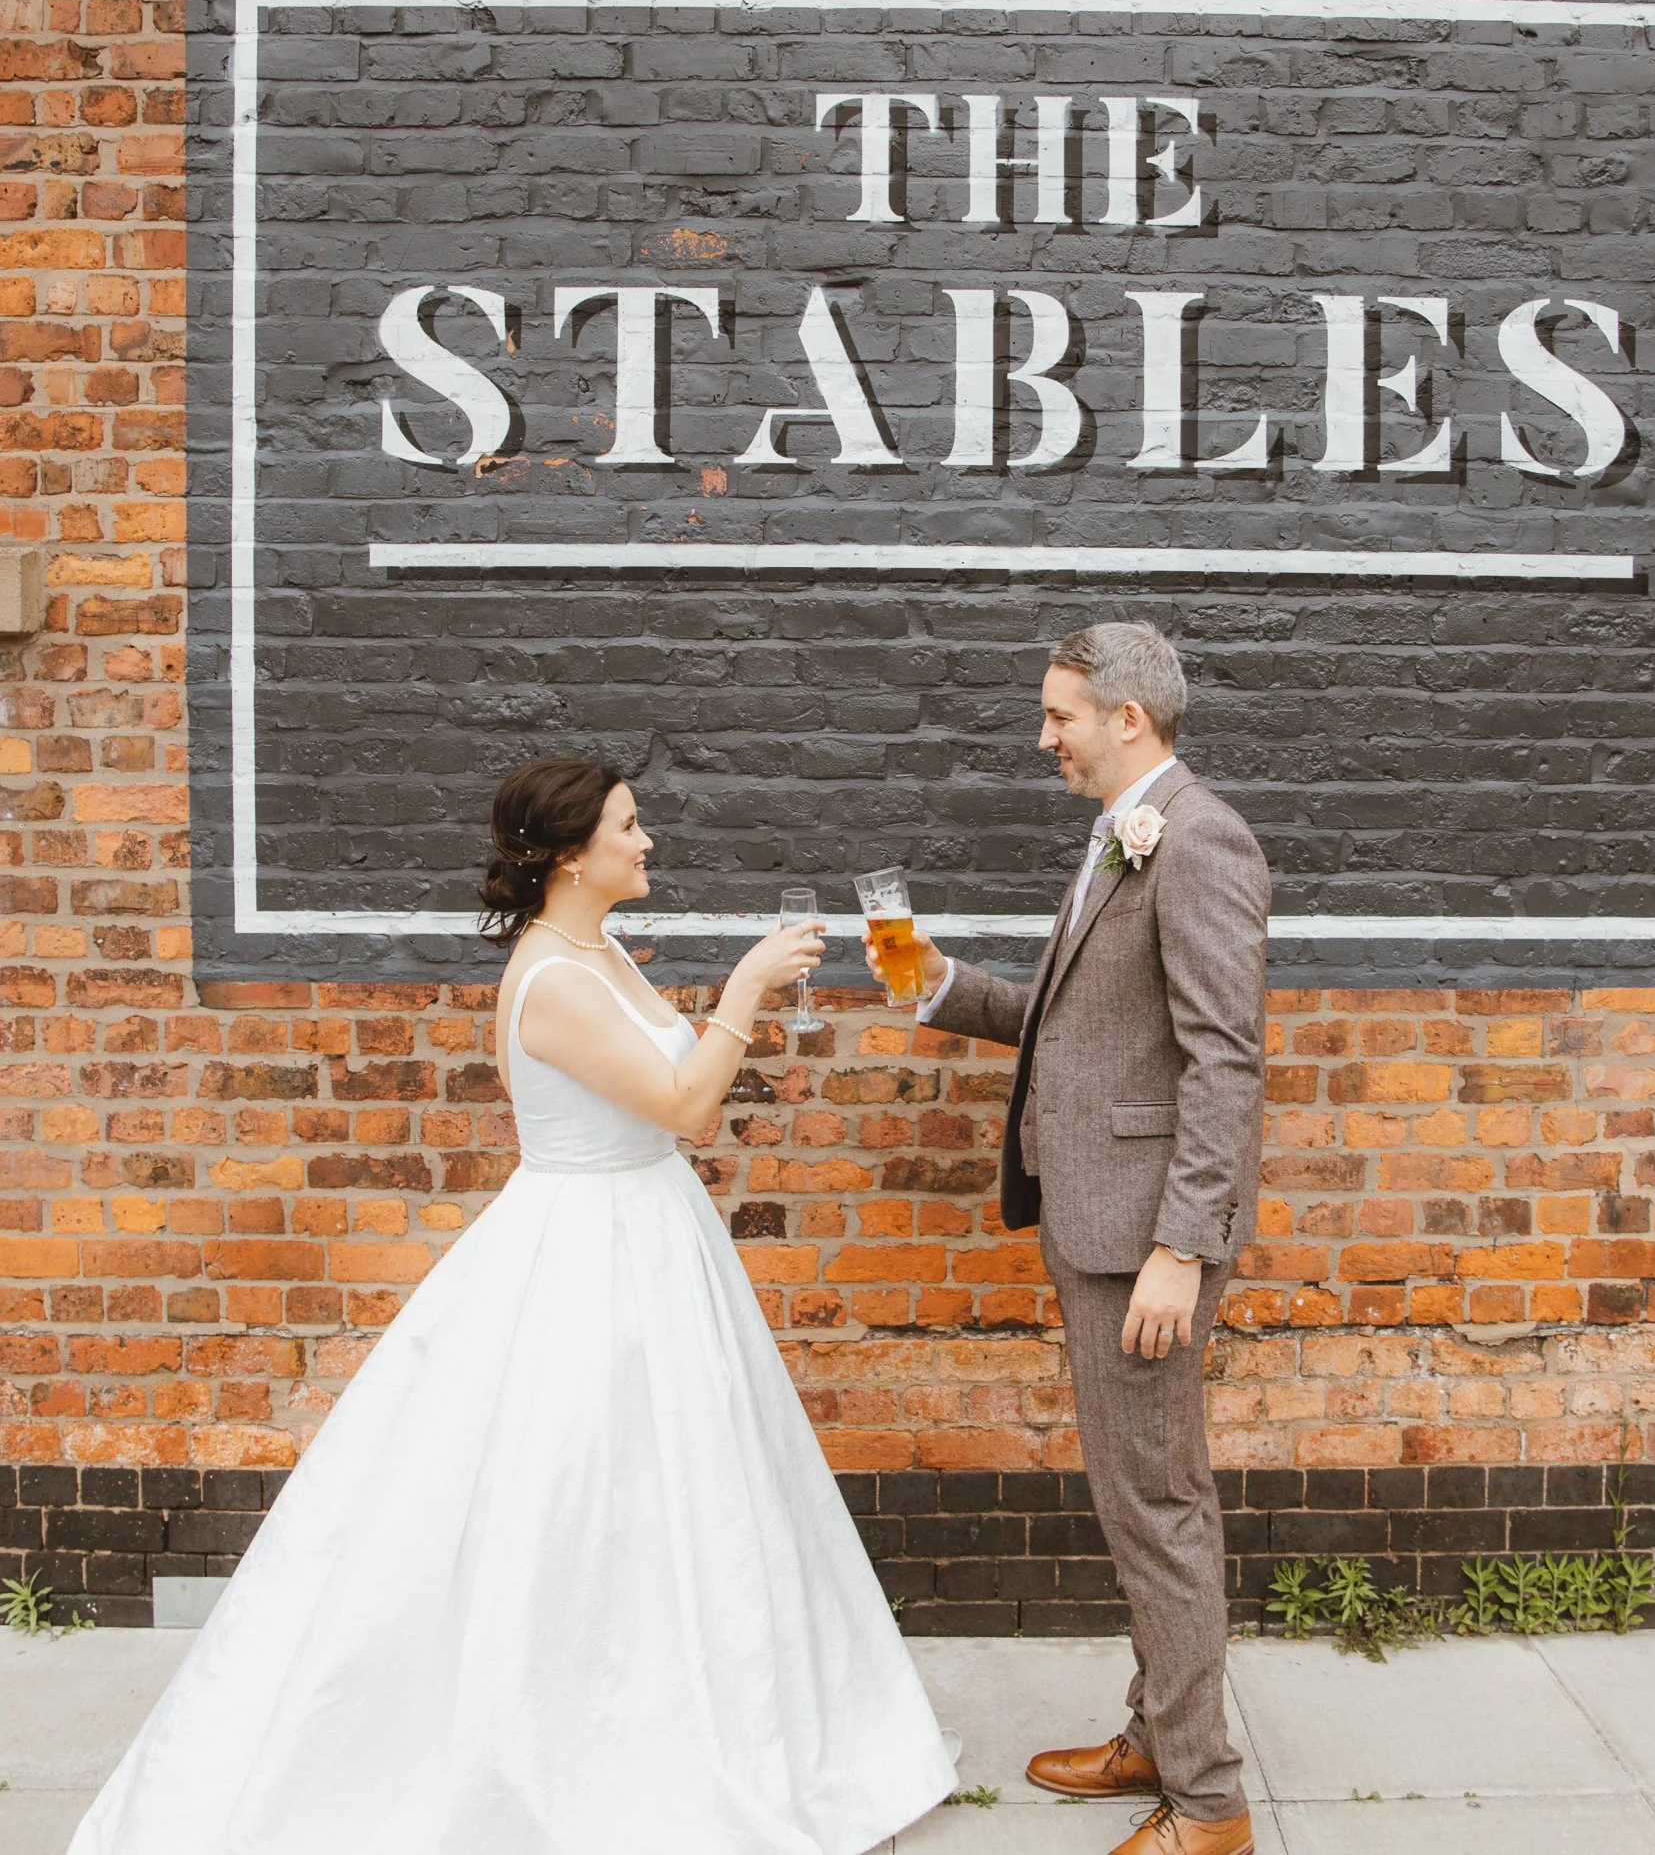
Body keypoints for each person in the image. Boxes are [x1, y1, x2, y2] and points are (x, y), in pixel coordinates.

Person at [68, 756, 959, 1855]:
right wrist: (743, 991)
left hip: (653, 1241)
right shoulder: (552, 980)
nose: (648, 843)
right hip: (582, 1258)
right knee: (576, 1494)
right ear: (570, 854)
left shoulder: (602, 951)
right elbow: (684, 1108)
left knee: (681, 1495)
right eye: (629, 828)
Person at [868, 622, 1269, 1855]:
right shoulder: (1119, 834)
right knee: (1143, 1496)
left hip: (1140, 1242)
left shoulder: (1195, 839)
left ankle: (1204, 1805)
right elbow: (1077, 1024)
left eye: (1059, 716)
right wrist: (937, 985)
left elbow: (1222, 1060)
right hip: (1100, 1223)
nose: (1043, 736)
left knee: (1155, 1506)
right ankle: (1157, 1730)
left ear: (1127, 720)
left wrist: (1181, 1246)